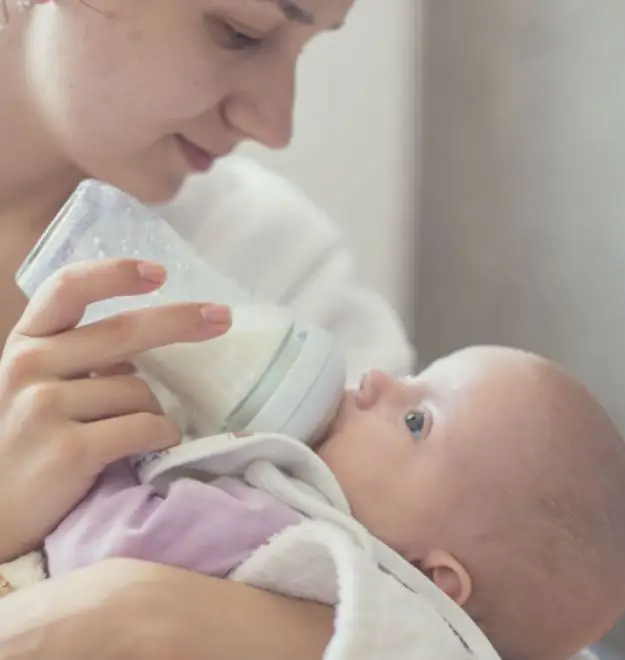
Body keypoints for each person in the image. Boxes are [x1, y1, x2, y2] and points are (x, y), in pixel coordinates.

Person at [0, 0, 417, 657]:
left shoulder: (267, 259)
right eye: (240, 33)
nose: (275, 125)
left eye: (307, 49)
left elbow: (463, 603)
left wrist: (146, 611)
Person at [44, 346, 625, 660]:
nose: (377, 380)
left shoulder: (284, 535)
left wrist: (113, 445)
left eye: (416, 420)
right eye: (415, 372)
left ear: (432, 575)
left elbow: (94, 552)